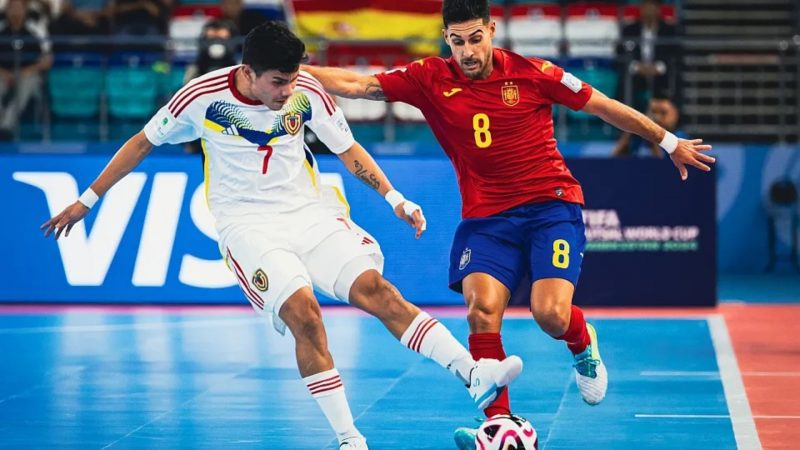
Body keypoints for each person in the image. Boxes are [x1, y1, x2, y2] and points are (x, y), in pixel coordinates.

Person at [41, 21, 523, 450]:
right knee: (304, 314)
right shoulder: (201, 97)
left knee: (378, 292)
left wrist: (395, 197)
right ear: (248, 72)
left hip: (308, 213)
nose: (288, 90)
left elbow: (348, 149)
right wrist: (88, 199)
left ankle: (473, 373)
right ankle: (349, 438)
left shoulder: (305, 90)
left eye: (293, 78)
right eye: (278, 82)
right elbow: (143, 141)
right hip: (247, 226)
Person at [302, 0, 714, 447]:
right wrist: (295, 73)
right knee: (481, 314)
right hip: (486, 219)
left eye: (475, 39)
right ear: (447, 39)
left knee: (550, 315)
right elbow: (359, 85)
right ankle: (499, 421)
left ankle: (582, 342)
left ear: (492, 30)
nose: (468, 52)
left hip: (550, 207)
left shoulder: (534, 72)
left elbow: (603, 106)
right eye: (457, 42)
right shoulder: (429, 78)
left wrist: (668, 140)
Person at [0, 0, 52, 140]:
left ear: (25, 10)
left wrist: (24, 72)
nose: (15, 10)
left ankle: (6, 127)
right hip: (3, 74)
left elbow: (47, 60)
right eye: (12, 7)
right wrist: (4, 73)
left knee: (28, 83)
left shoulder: (37, 29)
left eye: (19, 7)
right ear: (6, 10)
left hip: (29, 74)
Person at [616, 0, 679, 114]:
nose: (649, 10)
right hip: (635, 77)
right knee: (625, 85)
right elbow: (620, 53)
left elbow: (675, 54)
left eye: (653, 6)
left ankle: (669, 123)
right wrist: (636, 67)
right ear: (641, 8)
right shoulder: (629, 30)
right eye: (646, 6)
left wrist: (659, 67)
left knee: (674, 81)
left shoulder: (669, 30)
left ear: (659, 9)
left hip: (661, 77)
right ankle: (626, 126)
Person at [613, 93, 685, 157]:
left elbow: (664, 167)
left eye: (663, 113)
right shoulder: (637, 137)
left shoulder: (680, 138)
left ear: (675, 114)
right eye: (653, 112)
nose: (658, 118)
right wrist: (626, 137)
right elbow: (613, 161)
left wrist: (655, 139)